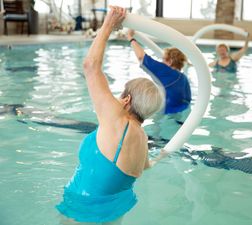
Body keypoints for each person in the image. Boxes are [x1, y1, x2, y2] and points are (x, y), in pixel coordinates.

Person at [56, 6, 165, 224]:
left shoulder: (117, 120)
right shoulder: (143, 139)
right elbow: (146, 166)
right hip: (115, 210)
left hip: (83, 208)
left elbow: (90, 66)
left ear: (127, 100)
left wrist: (108, 25)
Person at [127, 29, 191, 114]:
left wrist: (130, 37)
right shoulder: (184, 78)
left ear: (170, 61)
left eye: (163, 59)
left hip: (165, 116)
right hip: (182, 116)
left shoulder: (165, 71)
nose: (161, 62)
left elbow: (141, 57)